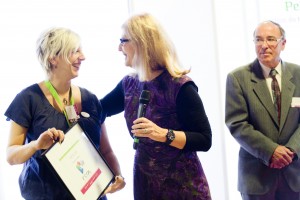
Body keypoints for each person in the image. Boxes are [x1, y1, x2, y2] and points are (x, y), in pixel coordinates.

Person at [100, 13, 212, 200]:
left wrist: (161, 134)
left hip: (183, 186)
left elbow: (204, 139)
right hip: (146, 185)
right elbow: (98, 109)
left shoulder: (180, 86)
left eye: (123, 41)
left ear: (141, 43)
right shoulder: (128, 84)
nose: (119, 48)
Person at [4, 27, 125, 200]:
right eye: (75, 51)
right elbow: (11, 156)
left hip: (91, 195)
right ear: (53, 58)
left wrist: (117, 177)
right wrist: (35, 145)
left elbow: (106, 151)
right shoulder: (28, 99)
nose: (82, 57)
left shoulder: (90, 99)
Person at [225, 20, 300, 200]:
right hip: (256, 178)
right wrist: (271, 151)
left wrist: (291, 150)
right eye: (258, 40)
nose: (264, 45)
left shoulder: (298, 74)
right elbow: (237, 124)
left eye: (271, 39)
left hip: (294, 175)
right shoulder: (238, 78)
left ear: (283, 43)